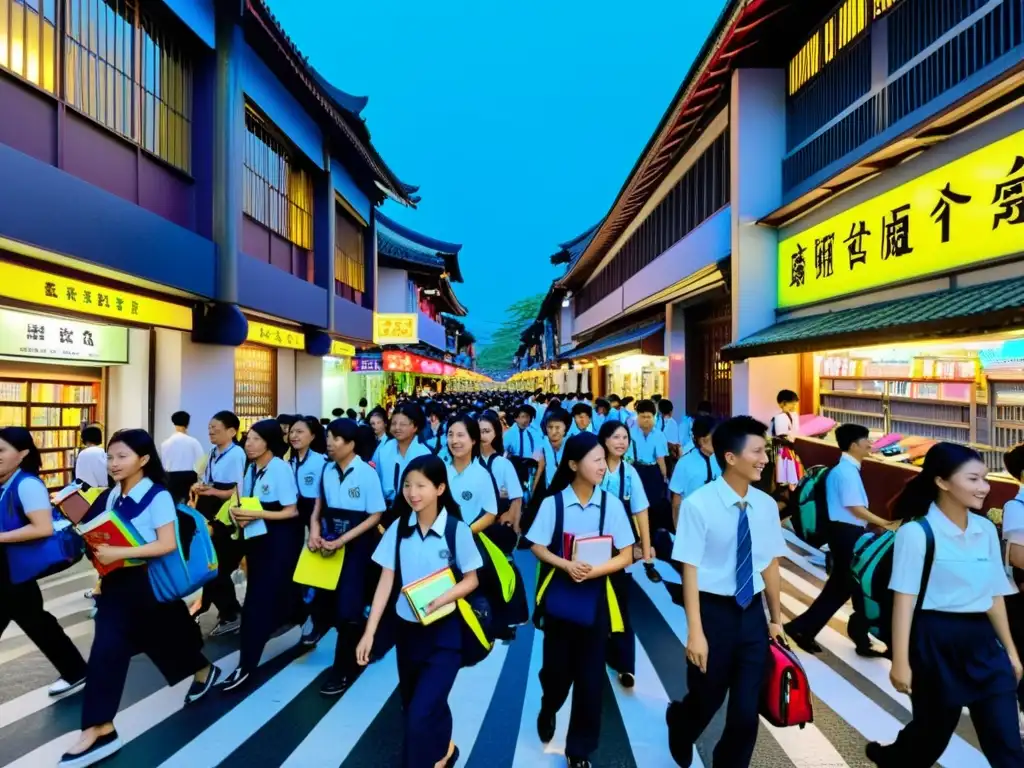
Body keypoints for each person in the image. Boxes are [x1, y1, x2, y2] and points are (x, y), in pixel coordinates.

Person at [59, 430, 218, 768]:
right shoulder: (111, 495)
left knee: (153, 643)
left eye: (122, 456)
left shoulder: (158, 496)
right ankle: (100, 727)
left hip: (147, 583)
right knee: (112, 649)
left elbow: (166, 545)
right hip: (117, 585)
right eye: (110, 456)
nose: (114, 463)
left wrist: (119, 550)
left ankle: (201, 669)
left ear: (143, 460)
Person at [866, 442, 1024, 767]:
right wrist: (900, 661)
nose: (985, 487)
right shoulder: (916, 532)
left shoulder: (984, 530)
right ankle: (895, 758)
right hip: (934, 640)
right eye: (973, 479)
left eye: (984, 478)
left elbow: (993, 595)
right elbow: (904, 601)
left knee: (1008, 747)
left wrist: (1010, 650)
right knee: (930, 736)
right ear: (942, 482)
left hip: (983, 642)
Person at [667, 416, 788, 768]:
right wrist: (695, 633)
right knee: (706, 698)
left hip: (751, 615)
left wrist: (776, 620)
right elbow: (690, 570)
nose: (765, 458)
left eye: (764, 450)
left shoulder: (765, 505)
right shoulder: (698, 505)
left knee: (746, 714)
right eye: (757, 451)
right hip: (712, 613)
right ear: (731, 457)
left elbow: (769, 564)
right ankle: (680, 722)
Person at [356, 455, 482, 768]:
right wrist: (369, 633)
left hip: (446, 633)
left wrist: (442, 599)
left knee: (420, 713)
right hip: (408, 632)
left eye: (421, 486)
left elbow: (471, 580)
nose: (412, 493)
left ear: (440, 488)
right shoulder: (399, 528)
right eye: (408, 485)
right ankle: (446, 752)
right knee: (417, 703)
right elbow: (386, 581)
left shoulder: (456, 530)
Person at [528, 432, 635, 768]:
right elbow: (537, 546)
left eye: (604, 459)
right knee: (557, 671)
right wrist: (566, 565)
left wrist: (594, 571)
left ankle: (579, 750)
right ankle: (549, 705)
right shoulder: (553, 503)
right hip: (561, 599)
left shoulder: (611, 504)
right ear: (574, 465)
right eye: (596, 460)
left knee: (591, 680)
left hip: (597, 600)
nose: (603, 466)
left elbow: (627, 554)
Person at [786, 424, 893, 657]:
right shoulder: (845, 472)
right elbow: (854, 507)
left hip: (845, 533)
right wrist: (884, 523)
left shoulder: (847, 469)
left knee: (850, 586)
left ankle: (856, 636)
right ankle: (801, 629)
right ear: (854, 445)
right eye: (866, 440)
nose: (870, 444)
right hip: (847, 535)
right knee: (845, 586)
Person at [0, 427, 89, 698]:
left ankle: (76, 670)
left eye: (1, 450)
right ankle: (76, 670)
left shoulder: (26, 484)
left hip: (15, 570)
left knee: (36, 620)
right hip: (8, 570)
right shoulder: (6, 483)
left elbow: (43, 528)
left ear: (23, 453)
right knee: (36, 620)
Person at [218, 419, 301, 692]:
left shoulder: (280, 469)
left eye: (254, 439)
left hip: (280, 542)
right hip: (255, 539)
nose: (248, 444)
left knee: (256, 603)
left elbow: (291, 511)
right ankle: (298, 616)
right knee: (269, 595)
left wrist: (256, 514)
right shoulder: (250, 468)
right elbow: (242, 501)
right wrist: (237, 513)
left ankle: (246, 664)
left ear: (268, 441)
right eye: (248, 438)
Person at [308, 418, 386, 696]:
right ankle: (363, 642)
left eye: (336, 439)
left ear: (351, 444)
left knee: (348, 608)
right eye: (329, 437)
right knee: (326, 603)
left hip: (358, 547)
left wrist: (343, 539)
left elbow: (375, 515)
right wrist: (314, 532)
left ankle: (344, 669)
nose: (330, 443)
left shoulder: (366, 473)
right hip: (329, 544)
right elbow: (318, 508)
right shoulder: (327, 471)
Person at [597, 421, 655, 687]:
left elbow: (640, 510)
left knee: (620, 603)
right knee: (594, 601)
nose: (621, 442)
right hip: (591, 544)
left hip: (619, 547)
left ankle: (625, 665)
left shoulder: (629, 472)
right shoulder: (594, 467)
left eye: (625, 438)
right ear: (604, 440)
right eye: (615, 437)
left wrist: (645, 544)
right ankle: (598, 652)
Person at [191, 411, 246, 637]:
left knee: (218, 568)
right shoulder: (212, 453)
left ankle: (231, 613)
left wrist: (212, 491)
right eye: (209, 428)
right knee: (210, 565)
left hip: (225, 519)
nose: (211, 432)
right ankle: (226, 611)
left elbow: (238, 490)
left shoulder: (236, 455)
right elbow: (207, 479)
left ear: (232, 431)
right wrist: (201, 488)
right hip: (209, 514)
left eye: (216, 428)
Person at [376, 403, 432, 524]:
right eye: (394, 423)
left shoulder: (424, 453)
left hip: (414, 511)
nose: (397, 428)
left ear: (415, 427)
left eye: (403, 424)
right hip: (386, 511)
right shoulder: (384, 450)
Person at [669, 415, 721, 530]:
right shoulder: (684, 463)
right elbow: (676, 503)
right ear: (702, 440)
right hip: (692, 523)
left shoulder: (720, 459)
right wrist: (678, 530)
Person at [478, 412, 523, 533]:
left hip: (497, 525)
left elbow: (516, 499)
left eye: (487, 431)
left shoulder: (504, 464)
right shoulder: (470, 462)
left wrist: (514, 524)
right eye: (480, 432)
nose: (482, 436)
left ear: (496, 433)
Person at [628, 400, 669, 531]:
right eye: (643, 416)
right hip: (636, 469)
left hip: (653, 471)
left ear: (654, 417)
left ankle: (653, 534)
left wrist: (664, 476)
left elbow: (660, 459)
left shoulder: (659, 435)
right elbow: (627, 458)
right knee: (636, 504)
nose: (646, 420)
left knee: (654, 504)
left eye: (649, 417)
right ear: (637, 416)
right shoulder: (630, 433)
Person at [160, 411, 205, 505]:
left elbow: (163, 465)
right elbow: (201, 463)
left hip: (170, 480)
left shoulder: (165, 444)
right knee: (189, 508)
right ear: (187, 424)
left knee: (172, 507)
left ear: (173, 423)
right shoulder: (194, 442)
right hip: (189, 480)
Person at [532, 408, 571, 497]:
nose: (553, 432)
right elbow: (536, 474)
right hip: (547, 493)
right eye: (550, 427)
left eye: (557, 427)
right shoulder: (541, 447)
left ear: (565, 428)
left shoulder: (572, 446)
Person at [771, 389, 802, 489]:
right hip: (785, 449)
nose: (794, 406)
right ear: (783, 404)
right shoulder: (779, 417)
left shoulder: (793, 415)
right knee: (787, 474)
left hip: (792, 447)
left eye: (795, 404)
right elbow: (781, 436)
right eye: (792, 404)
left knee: (793, 473)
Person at [75, 426, 108, 490]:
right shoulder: (101, 452)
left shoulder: (82, 453)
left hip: (84, 490)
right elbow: (103, 474)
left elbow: (79, 476)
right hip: (100, 491)